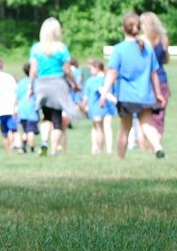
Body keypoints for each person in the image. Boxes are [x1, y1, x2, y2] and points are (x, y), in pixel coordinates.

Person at [100, 12, 166, 159]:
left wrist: (104, 94)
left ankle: (120, 158)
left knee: (125, 128)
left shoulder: (119, 49)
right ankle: (158, 147)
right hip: (145, 94)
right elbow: (153, 73)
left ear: (124, 29)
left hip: (126, 96)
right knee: (147, 125)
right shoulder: (147, 48)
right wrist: (158, 94)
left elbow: (111, 74)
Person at [28, 17, 81, 156]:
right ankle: (53, 150)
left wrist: (30, 86)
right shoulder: (62, 48)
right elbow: (67, 70)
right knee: (57, 119)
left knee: (46, 116)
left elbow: (33, 70)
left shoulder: (36, 48)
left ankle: (44, 142)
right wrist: (75, 84)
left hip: (41, 84)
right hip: (58, 84)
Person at [139, 12, 170, 152]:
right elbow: (166, 59)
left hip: (146, 82)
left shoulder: (141, 41)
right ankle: (157, 146)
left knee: (144, 117)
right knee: (159, 118)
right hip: (162, 79)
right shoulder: (163, 39)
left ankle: (147, 148)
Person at [83, 58, 115, 154]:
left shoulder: (91, 81)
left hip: (96, 107)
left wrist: (83, 106)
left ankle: (97, 148)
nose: (90, 71)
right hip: (109, 107)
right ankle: (109, 149)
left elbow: (86, 97)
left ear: (96, 68)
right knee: (108, 128)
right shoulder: (108, 79)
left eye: (91, 68)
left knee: (97, 129)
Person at [16, 62, 40, 153]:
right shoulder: (36, 82)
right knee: (31, 130)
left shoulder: (21, 82)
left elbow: (17, 96)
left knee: (25, 130)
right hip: (31, 109)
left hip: (21, 109)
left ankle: (22, 147)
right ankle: (32, 148)